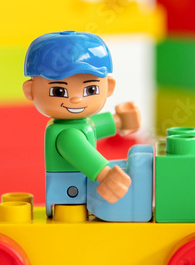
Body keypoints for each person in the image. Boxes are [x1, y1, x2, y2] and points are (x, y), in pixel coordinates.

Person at [22, 30, 141, 216]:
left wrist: (119, 120)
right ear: (30, 91)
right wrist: (105, 175)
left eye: (90, 89)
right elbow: (79, 150)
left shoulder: (81, 125)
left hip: (80, 191)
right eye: (59, 92)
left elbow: (92, 128)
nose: (76, 99)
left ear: (109, 87)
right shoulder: (64, 134)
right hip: (70, 197)